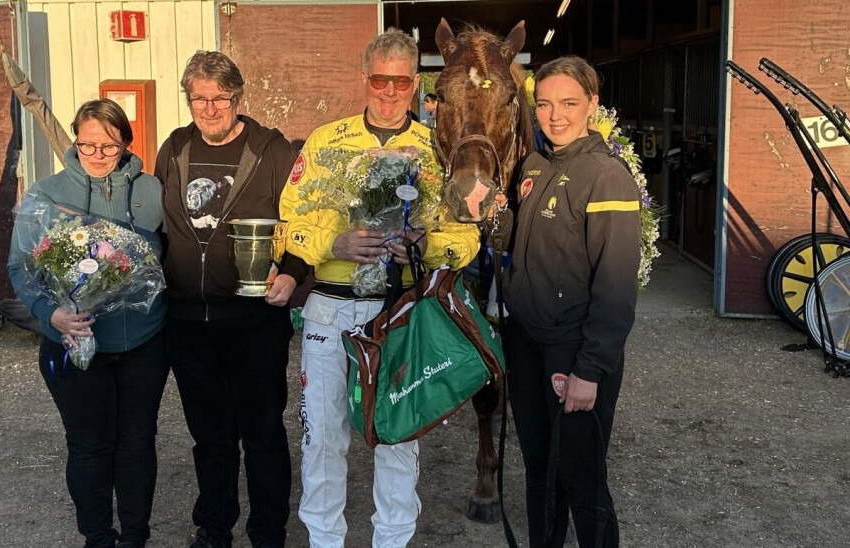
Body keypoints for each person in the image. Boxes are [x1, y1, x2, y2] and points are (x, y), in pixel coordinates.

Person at [280, 29, 480, 548]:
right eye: (378, 79)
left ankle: (392, 541)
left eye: (400, 81)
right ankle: (325, 540)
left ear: (416, 84)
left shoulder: (440, 149)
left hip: (401, 312)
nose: (388, 91)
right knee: (323, 439)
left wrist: (425, 244)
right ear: (363, 78)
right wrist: (335, 242)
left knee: (398, 435)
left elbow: (467, 237)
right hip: (331, 311)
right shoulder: (327, 141)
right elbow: (288, 224)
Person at [154, 50, 308, 548]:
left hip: (254, 322)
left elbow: (305, 222)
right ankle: (213, 528)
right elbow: (156, 226)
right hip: (187, 321)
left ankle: (268, 533)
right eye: (199, 98)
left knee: (262, 434)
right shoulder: (174, 149)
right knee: (210, 437)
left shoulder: (273, 152)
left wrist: (292, 274)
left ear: (239, 98)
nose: (210, 107)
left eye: (220, 97)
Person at [7, 99, 168, 548]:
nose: (96, 154)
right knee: (89, 444)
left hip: (142, 342)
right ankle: (98, 536)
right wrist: (50, 314)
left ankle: (135, 536)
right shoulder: (46, 194)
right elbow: (20, 267)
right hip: (71, 340)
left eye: (108, 145)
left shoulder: (152, 190)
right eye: (86, 144)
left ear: (126, 143)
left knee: (137, 442)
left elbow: (168, 257)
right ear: (74, 141)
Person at [504, 56, 641, 548]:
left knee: (583, 482)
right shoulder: (534, 165)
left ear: (592, 106)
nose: (554, 115)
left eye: (568, 103)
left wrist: (590, 369)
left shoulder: (607, 177)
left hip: (574, 353)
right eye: (543, 104)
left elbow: (616, 286)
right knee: (539, 474)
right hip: (527, 344)